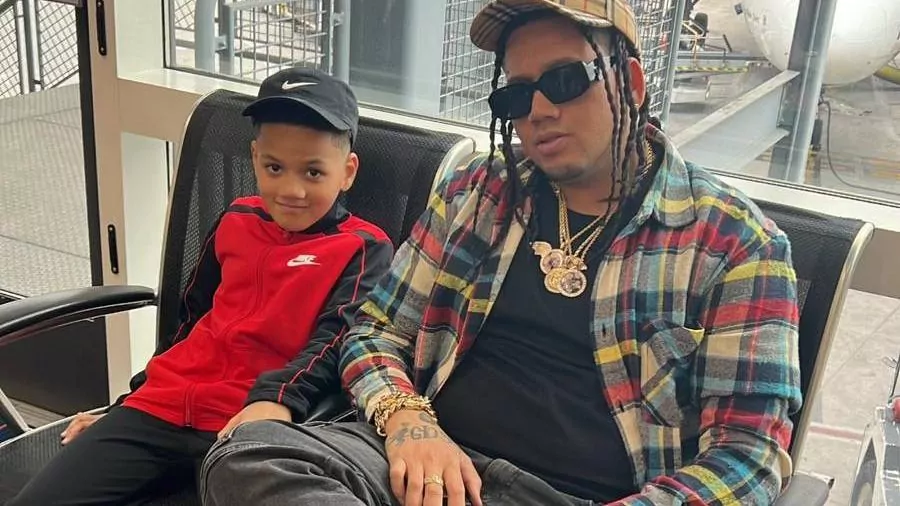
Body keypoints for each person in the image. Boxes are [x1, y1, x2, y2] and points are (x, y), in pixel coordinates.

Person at [200, 1, 802, 505]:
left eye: (565, 80)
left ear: (633, 84)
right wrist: (408, 421)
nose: (539, 110)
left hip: (577, 495)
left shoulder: (733, 243)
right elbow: (375, 328)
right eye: (516, 96)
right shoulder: (477, 193)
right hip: (422, 468)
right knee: (250, 457)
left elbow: (748, 455)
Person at [8, 67, 394, 505]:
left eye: (313, 172)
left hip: (245, 421)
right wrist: (126, 404)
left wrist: (279, 401)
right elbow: (189, 325)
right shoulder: (236, 219)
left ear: (347, 171)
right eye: (274, 167)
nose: (291, 189)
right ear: (254, 158)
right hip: (161, 406)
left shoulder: (363, 248)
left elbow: (338, 340)